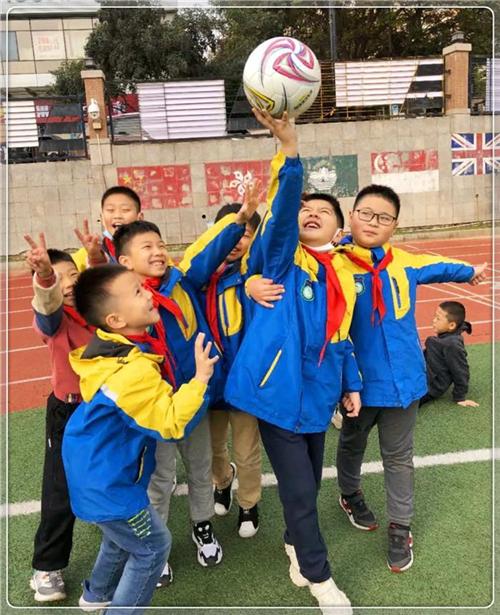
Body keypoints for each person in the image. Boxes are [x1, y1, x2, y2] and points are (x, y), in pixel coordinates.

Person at [225, 108, 361, 615]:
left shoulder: (342, 273)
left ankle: (291, 542)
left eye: (324, 210)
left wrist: (350, 384)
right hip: (278, 394)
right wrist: (289, 151)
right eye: (307, 208)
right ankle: (321, 579)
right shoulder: (283, 259)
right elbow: (280, 218)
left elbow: (342, 339)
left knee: (310, 482)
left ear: (339, 228)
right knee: (301, 493)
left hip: (319, 395)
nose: (311, 213)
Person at [334, 184, 487, 572]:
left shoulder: (402, 262)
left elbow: (438, 266)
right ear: (351, 216)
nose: (374, 222)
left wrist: (470, 272)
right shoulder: (334, 266)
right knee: (352, 443)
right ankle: (349, 493)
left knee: (399, 457)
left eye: (384, 217)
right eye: (366, 213)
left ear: (395, 226)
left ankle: (400, 527)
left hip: (404, 382)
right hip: (358, 385)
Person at [114, 199, 259, 585]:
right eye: (147, 247)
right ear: (124, 261)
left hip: (193, 401)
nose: (158, 252)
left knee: (199, 468)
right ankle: (157, 544)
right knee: (159, 479)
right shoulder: (124, 302)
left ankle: (202, 525)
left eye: (160, 244)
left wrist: (237, 222)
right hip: (155, 410)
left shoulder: (182, 282)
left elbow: (208, 252)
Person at [62, 264, 217, 615]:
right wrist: (200, 379)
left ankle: (96, 594)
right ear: (115, 319)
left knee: (120, 538)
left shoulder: (110, 350)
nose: (148, 293)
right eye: (137, 291)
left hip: (94, 469)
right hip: (110, 482)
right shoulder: (131, 371)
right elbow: (170, 424)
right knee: (153, 547)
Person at [23, 234, 95, 603]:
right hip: (68, 411)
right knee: (60, 491)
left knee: (113, 478)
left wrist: (96, 257)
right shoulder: (54, 320)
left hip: (104, 409)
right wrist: (46, 277)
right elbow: (47, 306)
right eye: (60, 276)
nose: (68, 282)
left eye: (73, 274)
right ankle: (47, 567)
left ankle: (125, 550)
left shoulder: (97, 310)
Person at [205, 199, 272, 538]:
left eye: (245, 234)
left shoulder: (257, 275)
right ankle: (222, 482)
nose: (236, 241)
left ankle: (249, 502)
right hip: (210, 381)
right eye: (229, 232)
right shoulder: (201, 275)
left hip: (245, 382)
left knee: (246, 450)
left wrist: (249, 283)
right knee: (213, 447)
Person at [420, 301, 477, 407]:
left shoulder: (452, 344)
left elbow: (460, 370)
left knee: (398, 404)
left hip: (429, 386)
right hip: (422, 375)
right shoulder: (443, 340)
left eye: (438, 318)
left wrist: (460, 397)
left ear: (451, 325)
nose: (434, 320)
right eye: (435, 317)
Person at [72, 186, 143, 271]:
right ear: (102, 218)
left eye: (125, 210)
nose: (117, 216)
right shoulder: (83, 256)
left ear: (140, 217)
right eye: (110, 210)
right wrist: (95, 258)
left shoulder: (153, 250)